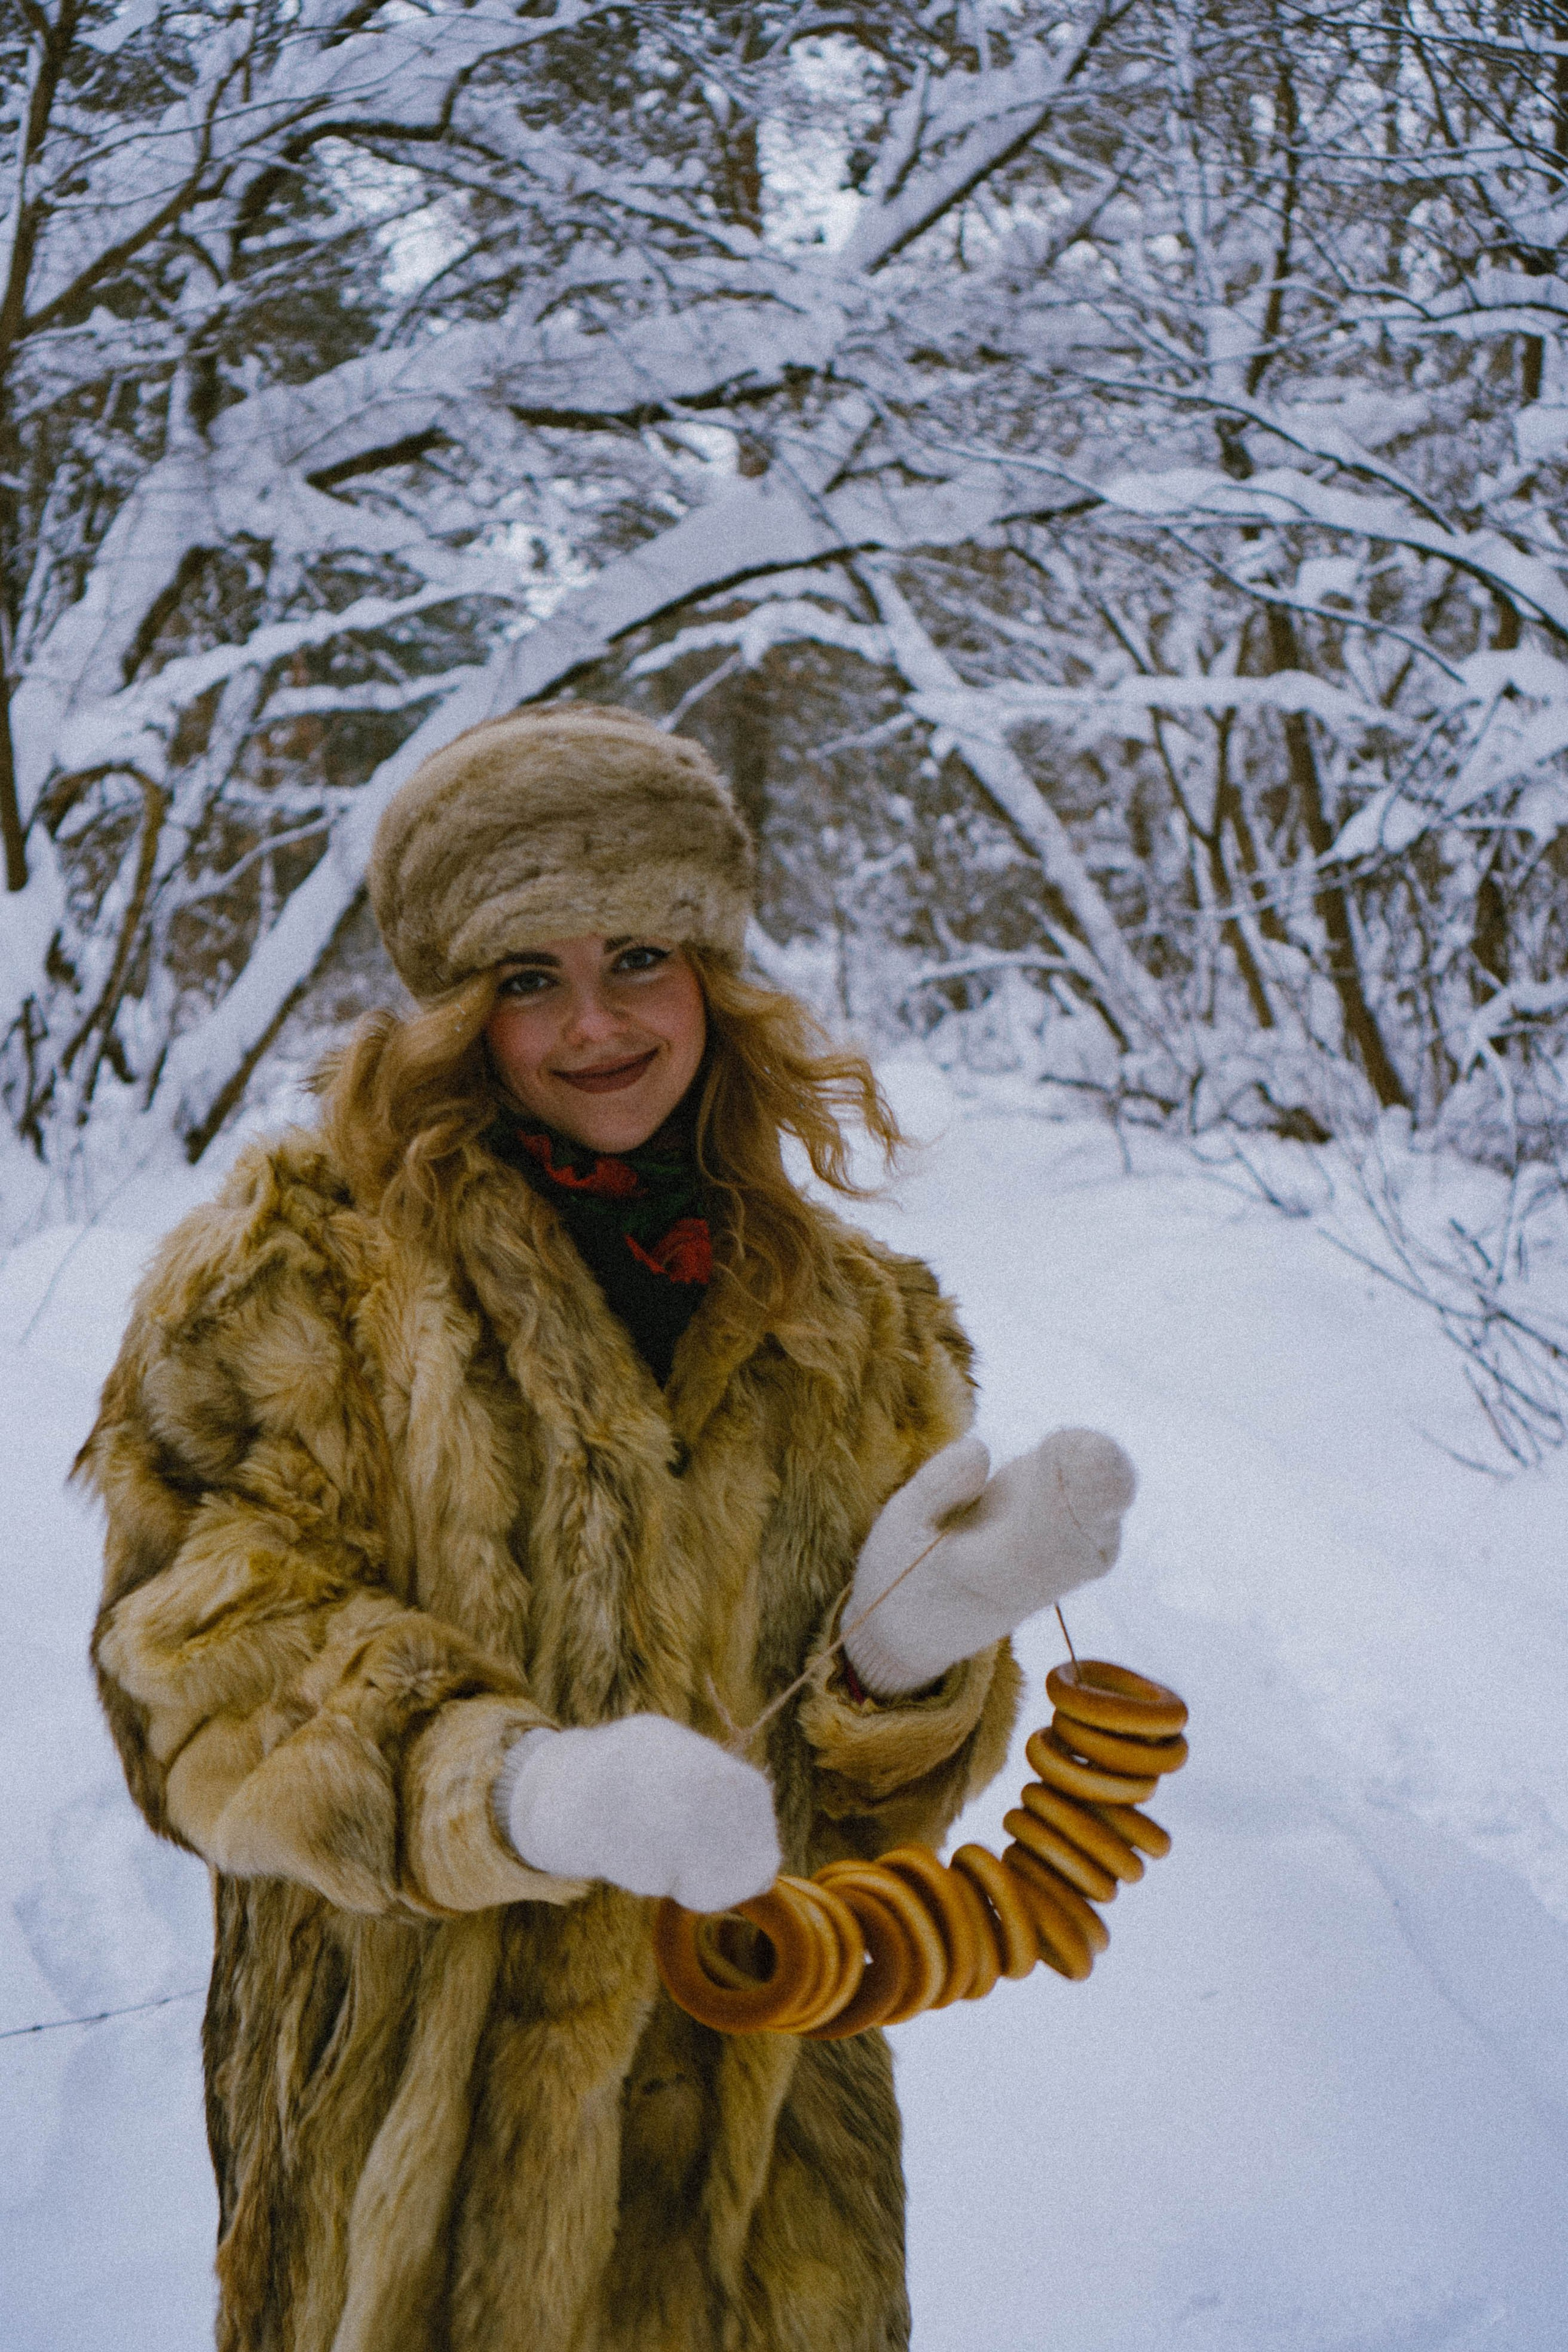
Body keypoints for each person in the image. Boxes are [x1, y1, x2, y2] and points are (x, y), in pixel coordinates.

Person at [80, 706, 1134, 2352]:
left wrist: (914, 1661)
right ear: (450, 1008)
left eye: (638, 955)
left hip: (765, 2176)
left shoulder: (850, 1320)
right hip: (412, 2173)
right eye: (525, 976)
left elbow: (872, 1843)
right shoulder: (298, 1273)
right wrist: (523, 1791)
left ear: (713, 972)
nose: (594, 1024)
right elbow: (193, 1670)